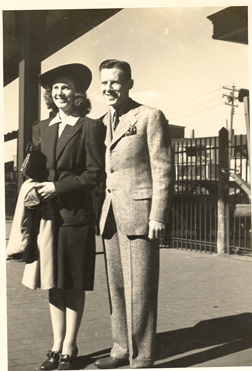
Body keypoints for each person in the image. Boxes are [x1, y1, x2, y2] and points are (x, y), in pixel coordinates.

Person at [23, 63, 105, 370]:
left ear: (79, 94)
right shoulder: (40, 127)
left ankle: (70, 344)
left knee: (73, 282)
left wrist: (58, 187)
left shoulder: (90, 126)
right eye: (55, 87)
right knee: (53, 281)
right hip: (47, 217)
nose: (59, 92)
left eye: (66, 87)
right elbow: (37, 167)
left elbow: (95, 174)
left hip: (75, 216)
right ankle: (55, 344)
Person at [94, 59, 174, 369]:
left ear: (129, 83)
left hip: (140, 214)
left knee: (140, 288)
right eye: (104, 83)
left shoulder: (149, 116)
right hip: (111, 215)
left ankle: (142, 357)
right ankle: (120, 349)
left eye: (115, 82)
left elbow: (163, 168)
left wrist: (158, 214)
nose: (109, 88)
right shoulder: (101, 122)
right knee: (117, 288)